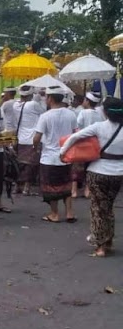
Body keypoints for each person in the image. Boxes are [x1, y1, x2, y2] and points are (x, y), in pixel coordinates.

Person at [60, 98, 123, 257]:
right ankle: (108, 240)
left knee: (97, 208)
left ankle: (100, 245)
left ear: (105, 112)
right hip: (118, 173)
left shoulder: (99, 127)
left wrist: (62, 153)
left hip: (98, 172)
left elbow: (74, 137)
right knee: (108, 206)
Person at [34, 86, 78, 223]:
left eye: (46, 97)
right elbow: (76, 134)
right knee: (66, 184)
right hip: (66, 156)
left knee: (50, 186)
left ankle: (54, 214)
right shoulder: (71, 114)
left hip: (49, 157)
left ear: (50, 98)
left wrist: (35, 146)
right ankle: (70, 213)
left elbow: (37, 137)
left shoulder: (45, 116)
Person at [13, 85, 46, 196]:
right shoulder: (33, 105)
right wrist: (41, 98)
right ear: (31, 95)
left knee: (19, 163)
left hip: (20, 137)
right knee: (31, 164)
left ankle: (17, 186)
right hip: (32, 138)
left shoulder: (15, 105)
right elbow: (44, 111)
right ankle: (26, 187)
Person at [72, 92, 106, 198]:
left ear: (87, 101)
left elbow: (77, 127)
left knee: (77, 166)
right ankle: (87, 190)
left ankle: (74, 191)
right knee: (90, 167)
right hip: (94, 144)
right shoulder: (100, 114)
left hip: (82, 142)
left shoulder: (83, 112)